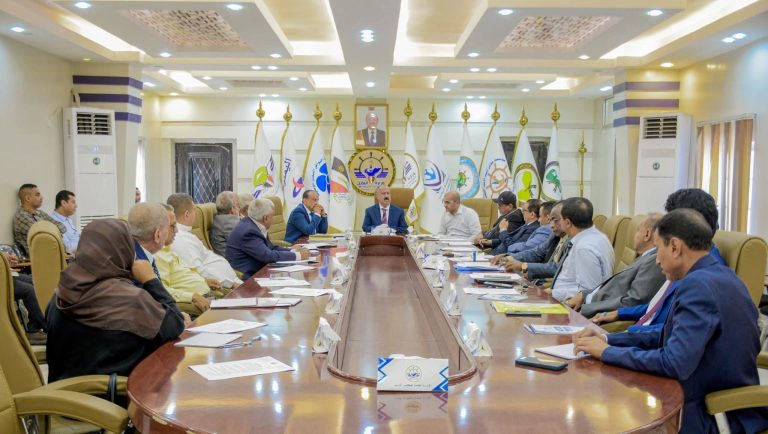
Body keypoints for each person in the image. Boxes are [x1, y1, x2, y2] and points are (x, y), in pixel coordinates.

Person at [573, 209, 768, 433]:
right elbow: (670, 333)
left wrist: (607, 353)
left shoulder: (697, 286)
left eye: (658, 249)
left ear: (675, 247)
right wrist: (608, 339)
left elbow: (674, 363)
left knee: (602, 416)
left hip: (711, 415)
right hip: (708, 397)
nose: (656, 260)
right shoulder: (720, 275)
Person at [45, 218, 185, 382]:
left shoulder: (60, 294)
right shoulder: (132, 300)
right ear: (125, 250)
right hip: (114, 393)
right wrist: (151, 280)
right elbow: (175, 323)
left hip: (61, 392)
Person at [592, 188, 727, 332]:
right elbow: (659, 306)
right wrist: (619, 313)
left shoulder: (702, 280)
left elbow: (671, 333)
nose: (657, 261)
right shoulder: (687, 260)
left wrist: (613, 339)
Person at [565, 213, 666, 318]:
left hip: (594, 312)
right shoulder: (645, 256)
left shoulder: (653, 261)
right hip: (587, 302)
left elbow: (633, 301)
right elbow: (615, 287)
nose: (634, 235)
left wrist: (586, 308)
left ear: (647, 234)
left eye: (637, 230)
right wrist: (584, 295)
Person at [166, 193, 243, 289]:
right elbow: (199, 270)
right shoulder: (181, 239)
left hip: (231, 280)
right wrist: (231, 284)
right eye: (194, 211)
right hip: (225, 287)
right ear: (187, 214)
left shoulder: (185, 234)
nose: (196, 215)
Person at [226, 199, 311, 279]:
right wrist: (298, 255)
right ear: (265, 218)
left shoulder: (254, 225)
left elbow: (271, 247)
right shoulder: (249, 231)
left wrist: (292, 250)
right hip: (249, 278)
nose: (273, 219)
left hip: (261, 270)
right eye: (272, 216)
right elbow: (268, 256)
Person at [155, 204, 215, 317]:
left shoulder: (168, 248)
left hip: (208, 297)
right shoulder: (157, 255)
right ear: (158, 230)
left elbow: (182, 276)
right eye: (172, 226)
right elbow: (163, 291)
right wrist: (193, 297)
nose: (177, 230)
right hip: (196, 308)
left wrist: (205, 281)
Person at [492, 202, 567, 281]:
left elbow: (557, 268)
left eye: (555, 220)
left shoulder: (571, 242)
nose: (551, 225)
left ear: (568, 221)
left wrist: (523, 266)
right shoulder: (555, 236)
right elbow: (535, 253)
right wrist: (508, 257)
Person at [2, 252, 46, 344]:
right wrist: (2, 258)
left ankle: (33, 328)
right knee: (28, 290)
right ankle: (45, 327)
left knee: (35, 281)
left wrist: (8, 259)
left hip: (4, 273)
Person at [12, 183, 66, 257]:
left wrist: (52, 231)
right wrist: (54, 231)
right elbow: (44, 235)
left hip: (53, 254)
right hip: (37, 259)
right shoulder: (21, 217)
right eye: (37, 195)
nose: (41, 197)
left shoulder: (40, 213)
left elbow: (62, 227)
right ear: (28, 198)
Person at [210, 191, 241, 256]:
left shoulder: (220, 219)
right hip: (232, 260)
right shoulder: (229, 222)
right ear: (232, 209)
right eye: (238, 206)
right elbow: (247, 243)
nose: (239, 209)